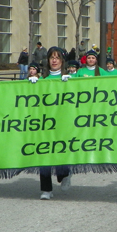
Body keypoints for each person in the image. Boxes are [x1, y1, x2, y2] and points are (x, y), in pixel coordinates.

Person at [29, 47, 71, 199]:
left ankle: (64, 174)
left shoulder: (69, 78)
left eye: (57, 58)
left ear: (62, 61)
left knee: (60, 151)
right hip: (44, 123)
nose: (54, 60)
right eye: (51, 58)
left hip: (63, 122)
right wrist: (32, 86)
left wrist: (71, 84)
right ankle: (46, 189)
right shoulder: (42, 81)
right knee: (44, 154)